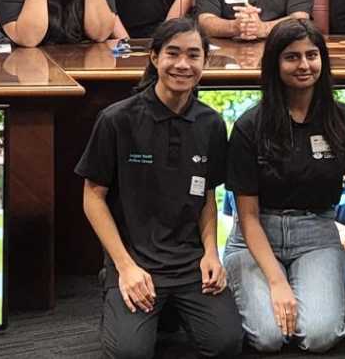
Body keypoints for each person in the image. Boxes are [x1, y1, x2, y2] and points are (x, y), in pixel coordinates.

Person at [77, 18, 243, 358]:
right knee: (131, 353)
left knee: (226, 344)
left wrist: (211, 252)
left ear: (204, 62)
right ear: (154, 58)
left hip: (189, 262)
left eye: (194, 55)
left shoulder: (211, 123)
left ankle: (169, 309)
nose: (183, 64)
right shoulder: (116, 119)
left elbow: (208, 195)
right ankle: (114, 289)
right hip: (135, 260)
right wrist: (124, 266)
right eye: (173, 53)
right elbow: (93, 197)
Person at [223, 20, 345, 352]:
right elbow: (248, 216)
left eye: (312, 55)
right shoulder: (249, 126)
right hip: (256, 236)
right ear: (275, 64)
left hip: (317, 234)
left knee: (318, 336)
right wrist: (277, 281)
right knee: (268, 338)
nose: (304, 65)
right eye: (292, 57)